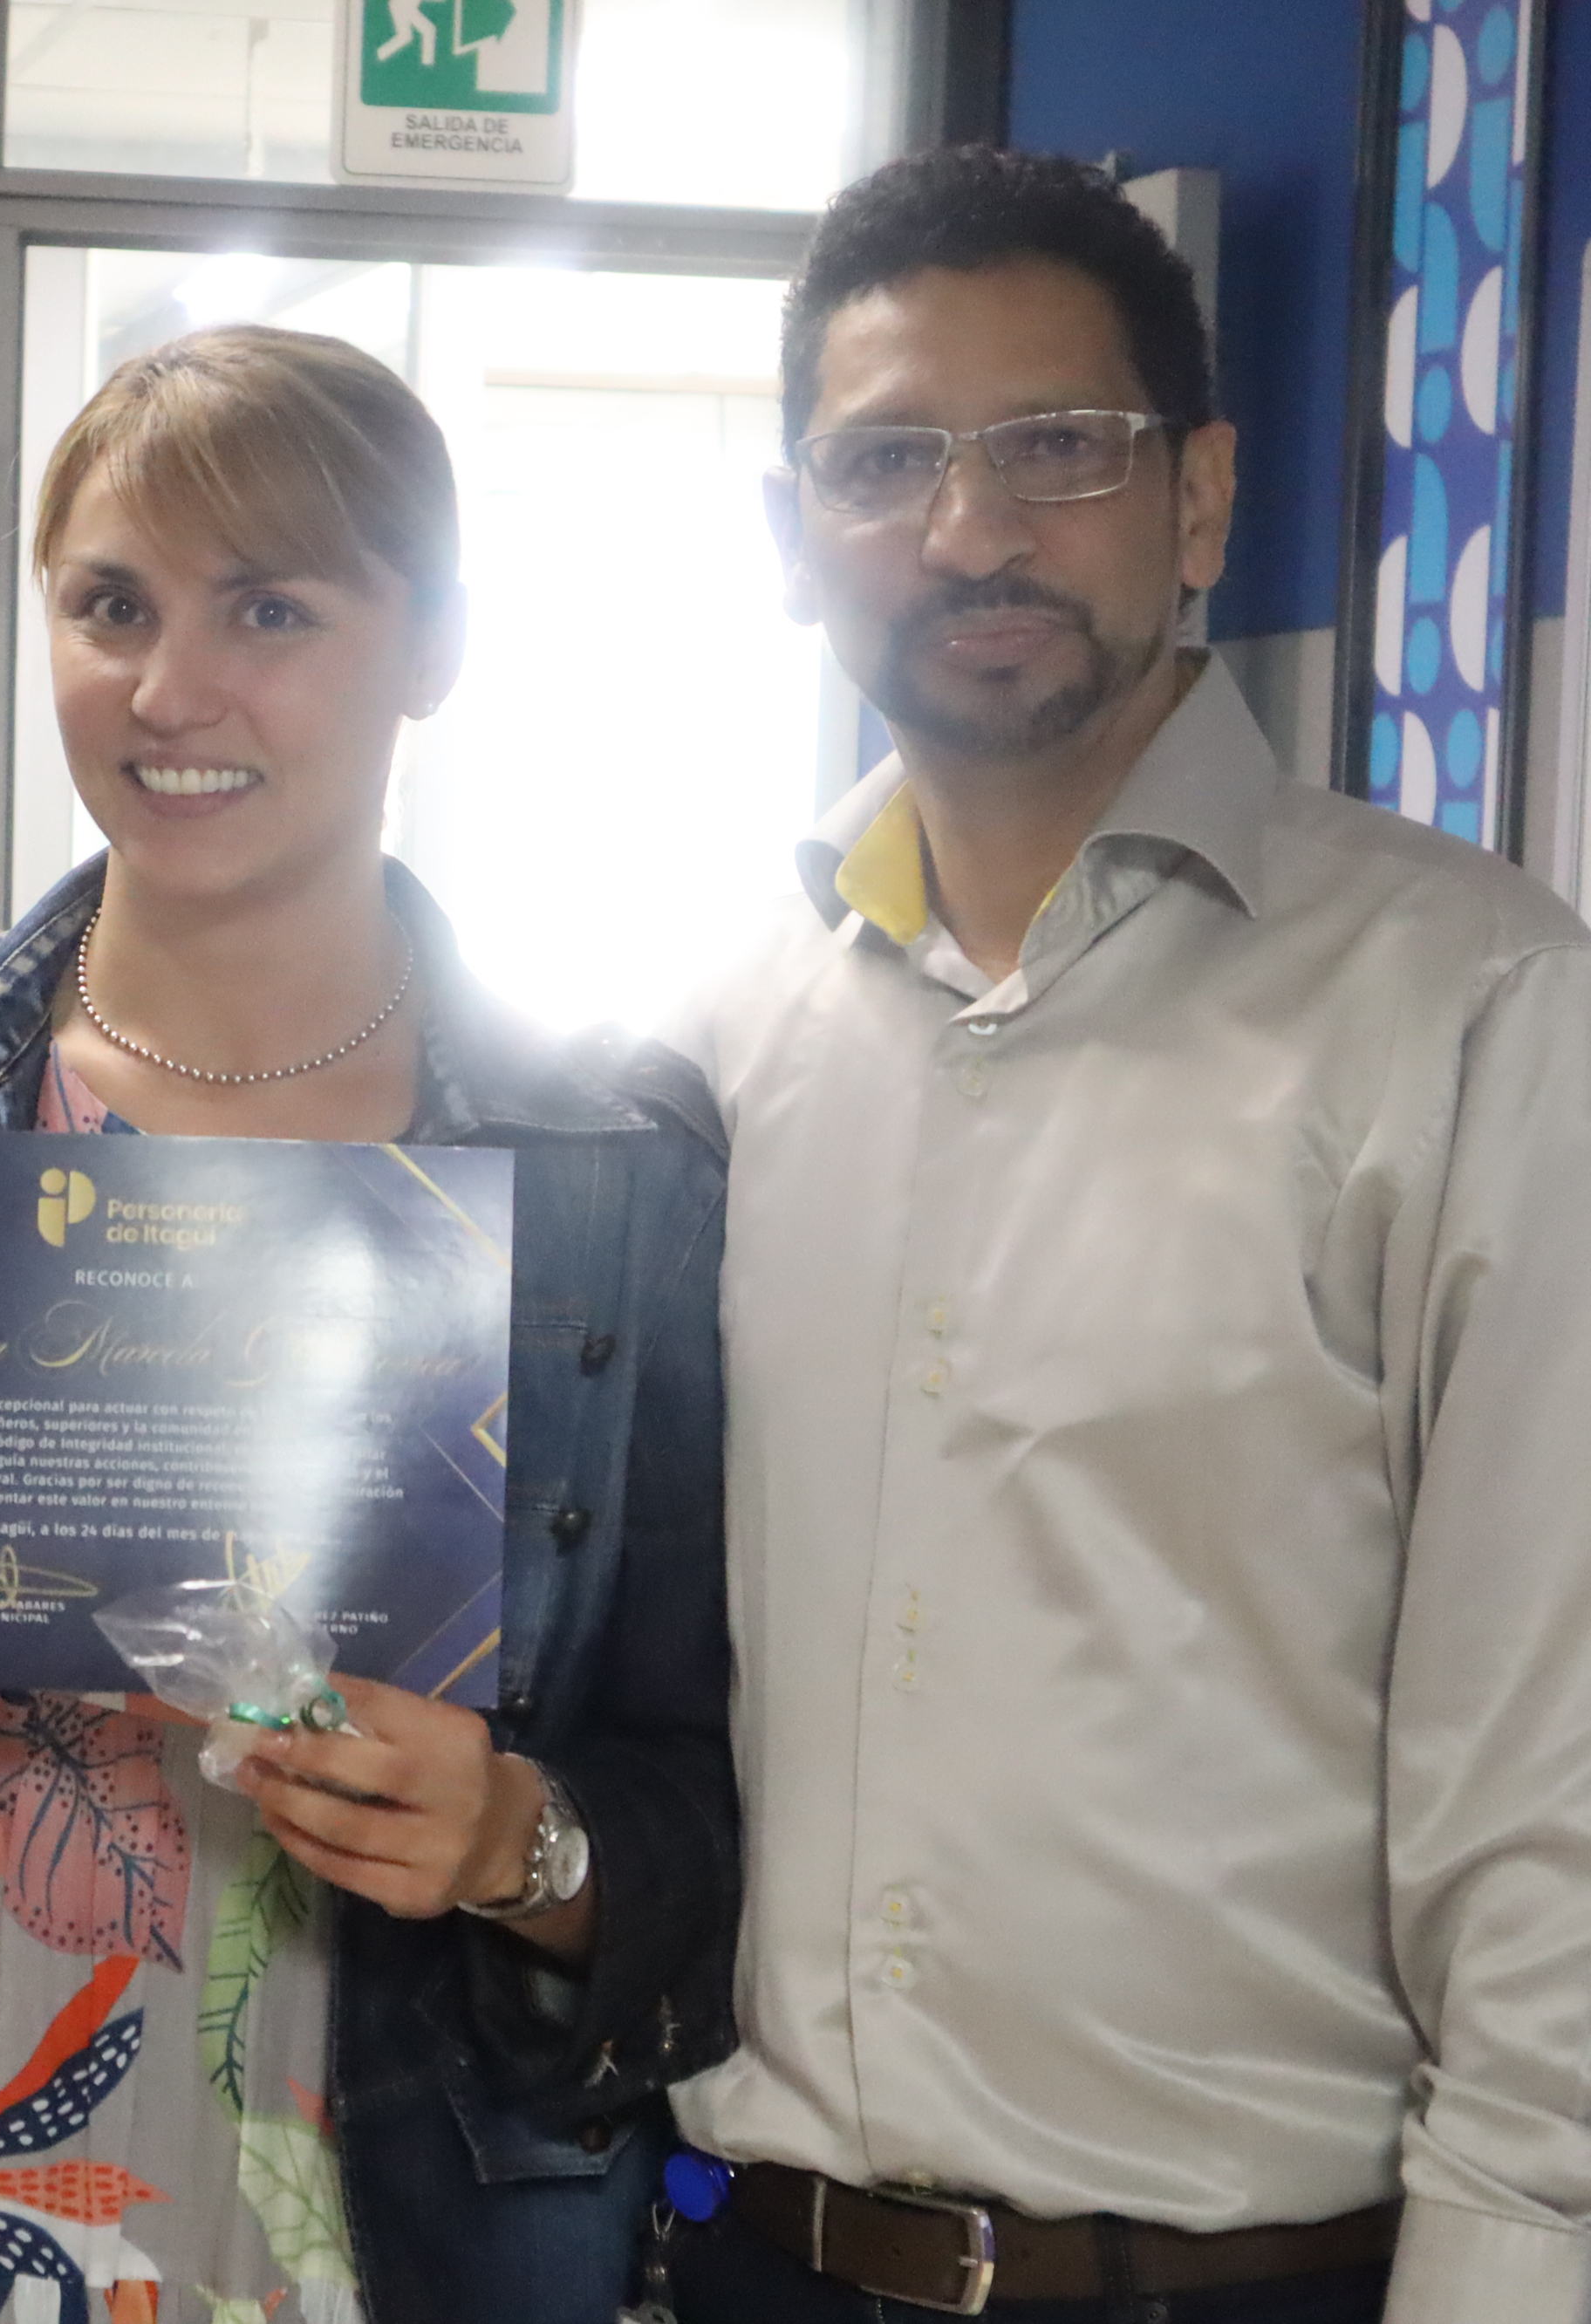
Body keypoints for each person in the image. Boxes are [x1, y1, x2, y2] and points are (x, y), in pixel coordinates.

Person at [0, 325, 739, 2324]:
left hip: (401, 2244)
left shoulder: (607, 1170)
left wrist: (521, 1848)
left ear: (436, 645)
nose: (171, 690)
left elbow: (709, 1798)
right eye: (112, 606)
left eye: (270, 609)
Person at [657, 147, 1591, 2321]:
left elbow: (1549, 1762)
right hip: (752, 2262)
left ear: (1201, 496)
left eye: (1059, 447)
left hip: (1252, 2282)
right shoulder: (712, 1048)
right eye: (886, 460)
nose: (969, 529)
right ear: (797, 533)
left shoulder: (1470, 1009)